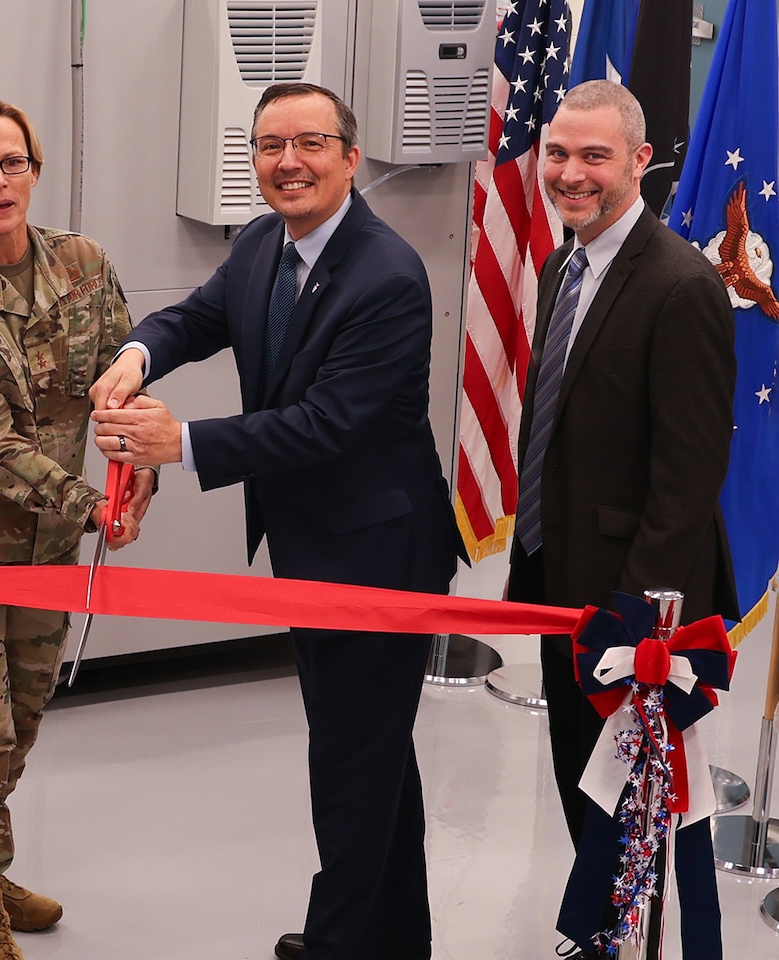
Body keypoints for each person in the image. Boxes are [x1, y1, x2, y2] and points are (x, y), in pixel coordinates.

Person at [90, 82, 465, 960]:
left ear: (349, 153)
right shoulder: (266, 242)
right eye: (268, 146)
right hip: (313, 548)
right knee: (372, 758)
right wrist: (137, 354)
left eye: (308, 144)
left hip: (381, 558)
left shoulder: (388, 276)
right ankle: (393, 939)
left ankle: (340, 942)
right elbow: (197, 316)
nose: (287, 163)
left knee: (348, 765)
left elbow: (327, 425)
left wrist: (176, 443)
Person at [0, 98, 153, 960]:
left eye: (13, 163)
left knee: (27, 713)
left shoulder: (83, 265)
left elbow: (123, 381)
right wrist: (91, 504)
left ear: (35, 171)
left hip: (51, 549)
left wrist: (140, 466)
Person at [506, 80, 738, 958]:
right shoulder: (564, 263)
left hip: (631, 613)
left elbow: (687, 477)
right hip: (554, 586)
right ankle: (604, 935)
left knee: (633, 807)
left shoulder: (680, 287)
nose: (571, 173)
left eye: (594, 156)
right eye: (558, 153)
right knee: (583, 788)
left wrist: (640, 627)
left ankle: (627, 940)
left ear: (639, 161)